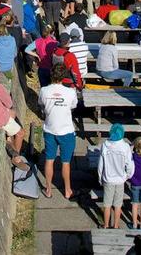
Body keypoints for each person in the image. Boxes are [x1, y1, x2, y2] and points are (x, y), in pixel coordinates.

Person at [39, 63, 79, 199]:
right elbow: (73, 105)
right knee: (66, 162)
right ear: (64, 77)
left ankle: (48, 189)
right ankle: (68, 190)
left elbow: (41, 104)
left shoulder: (44, 90)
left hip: (50, 128)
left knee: (49, 159)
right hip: (66, 130)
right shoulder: (70, 92)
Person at [98, 123, 135, 229]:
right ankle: (116, 225)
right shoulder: (125, 146)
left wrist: (100, 177)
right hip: (120, 180)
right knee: (118, 205)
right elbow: (129, 164)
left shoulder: (105, 145)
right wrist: (127, 176)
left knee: (107, 205)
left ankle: (105, 225)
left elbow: (101, 164)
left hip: (108, 179)